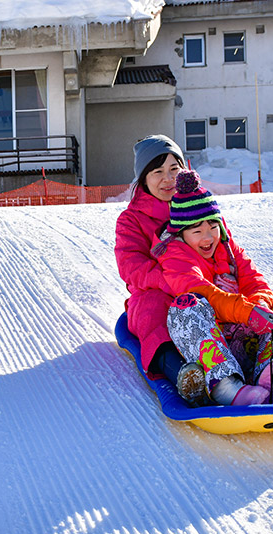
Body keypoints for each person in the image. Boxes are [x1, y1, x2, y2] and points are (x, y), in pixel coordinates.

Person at [155, 169, 273, 406]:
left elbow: (255, 281)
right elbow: (201, 290)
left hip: (248, 338)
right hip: (213, 345)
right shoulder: (175, 256)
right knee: (185, 306)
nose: (208, 238)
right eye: (197, 231)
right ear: (181, 233)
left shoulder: (228, 248)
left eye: (213, 228)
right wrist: (246, 311)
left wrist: (259, 308)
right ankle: (226, 385)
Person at [115, 135, 197, 394]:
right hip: (156, 292)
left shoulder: (198, 207)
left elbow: (220, 245)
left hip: (200, 285)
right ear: (144, 179)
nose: (168, 179)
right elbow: (131, 266)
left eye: (174, 169)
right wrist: (170, 282)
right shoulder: (131, 220)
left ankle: (268, 364)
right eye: (158, 171)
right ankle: (184, 375)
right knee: (152, 314)